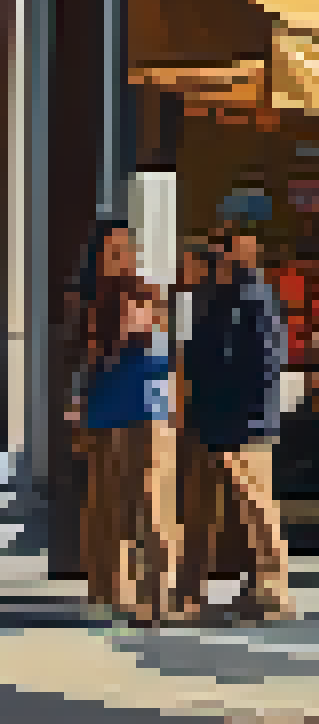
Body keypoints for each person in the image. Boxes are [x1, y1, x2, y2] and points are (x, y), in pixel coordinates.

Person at [175, 228, 296, 625]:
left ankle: (271, 593)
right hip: (208, 420)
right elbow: (196, 356)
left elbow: (266, 363)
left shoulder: (256, 298)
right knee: (198, 509)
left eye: (221, 251)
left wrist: (230, 402)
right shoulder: (214, 300)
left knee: (256, 508)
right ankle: (190, 591)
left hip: (247, 423)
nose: (216, 259)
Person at [70, 219, 179, 627]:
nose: (118, 258)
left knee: (151, 504)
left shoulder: (146, 292)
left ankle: (157, 595)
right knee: (104, 507)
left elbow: (164, 345)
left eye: (123, 250)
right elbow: (80, 359)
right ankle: (110, 592)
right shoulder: (89, 300)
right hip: (102, 410)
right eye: (110, 251)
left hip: (147, 409)